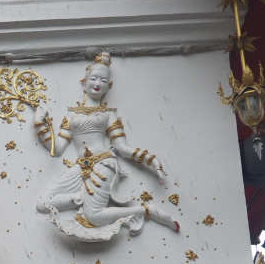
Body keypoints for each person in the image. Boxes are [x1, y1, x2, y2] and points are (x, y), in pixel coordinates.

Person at [32, 52, 179, 242]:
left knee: (94, 217)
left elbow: (123, 148)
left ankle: (147, 210)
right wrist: (39, 123)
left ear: (108, 86)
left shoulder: (109, 114)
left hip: (103, 164)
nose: (98, 83)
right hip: (80, 168)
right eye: (93, 78)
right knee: (43, 204)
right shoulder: (71, 114)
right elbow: (57, 148)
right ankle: (81, 197)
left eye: (103, 80)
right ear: (84, 83)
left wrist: (153, 162)